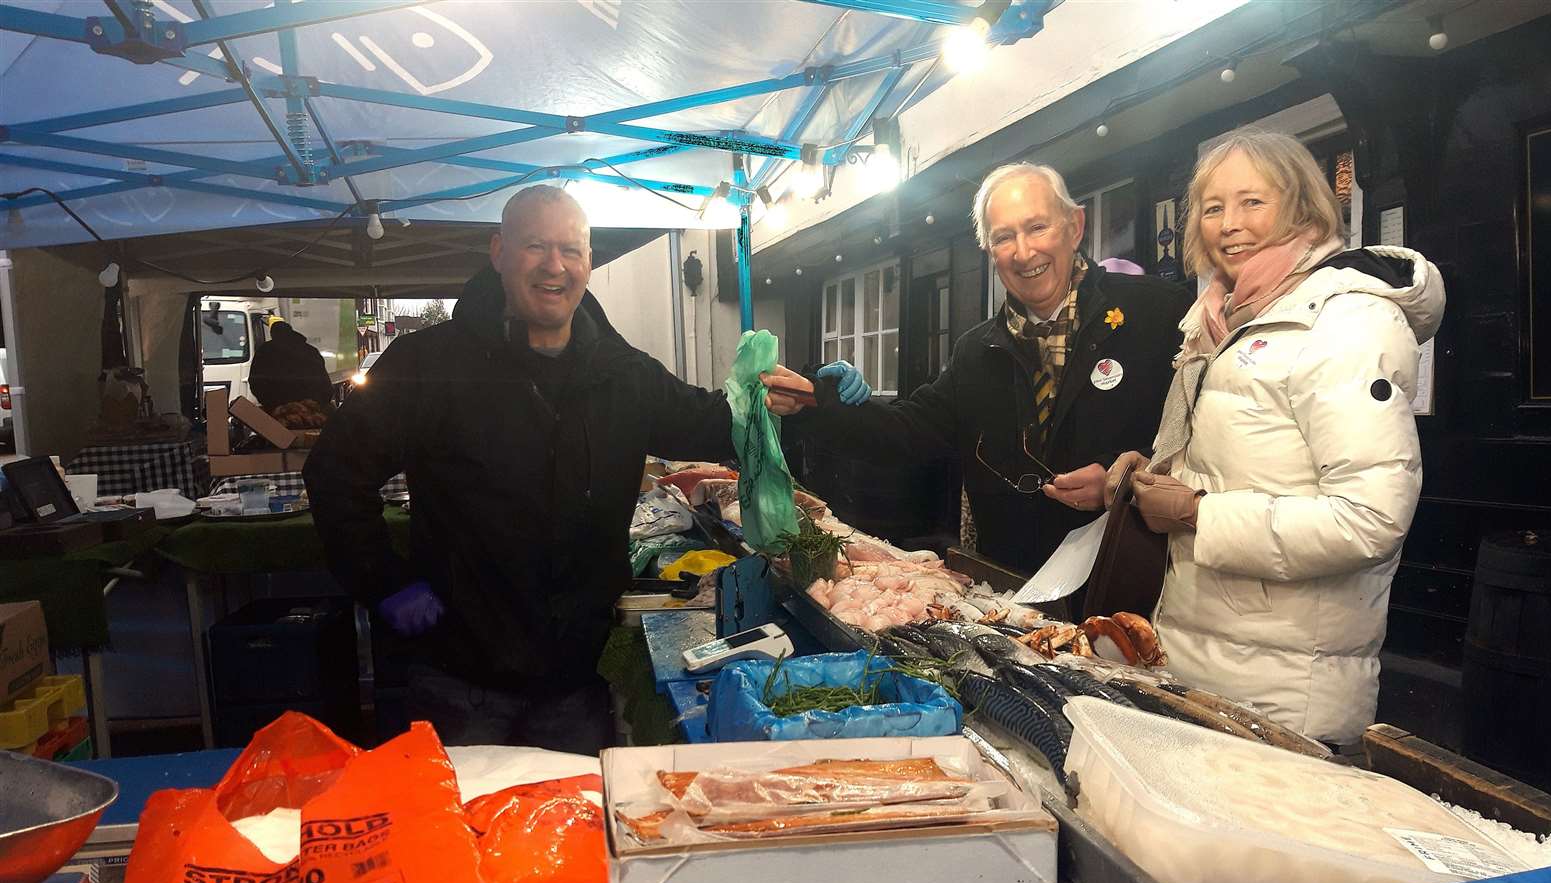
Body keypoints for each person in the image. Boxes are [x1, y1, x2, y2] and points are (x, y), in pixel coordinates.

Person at [304, 185, 735, 753]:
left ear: (588, 262)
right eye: (536, 246)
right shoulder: (426, 365)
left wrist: (808, 394)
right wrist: (385, 581)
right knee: (462, 834)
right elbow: (336, 473)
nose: (555, 266)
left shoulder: (623, 374)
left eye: (571, 250)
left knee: (568, 832)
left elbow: (717, 423)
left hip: (575, 682)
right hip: (460, 679)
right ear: (499, 252)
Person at [1103, 128, 1445, 746]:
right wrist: (1152, 473)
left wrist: (1196, 512)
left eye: (1252, 202)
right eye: (1212, 208)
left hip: (1289, 691)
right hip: (1196, 656)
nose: (1229, 225)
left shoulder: (1347, 320)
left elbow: (1369, 519)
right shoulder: (1219, 317)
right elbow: (1237, 463)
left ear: (1301, 207)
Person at [762, 162, 1191, 575]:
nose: (1025, 252)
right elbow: (905, 434)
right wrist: (817, 401)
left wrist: (1124, 481)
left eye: (1037, 227)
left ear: (1074, 226)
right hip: (1014, 588)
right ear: (989, 251)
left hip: (1127, 582)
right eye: (1004, 237)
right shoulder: (977, 351)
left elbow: (1203, 437)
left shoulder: (1156, 312)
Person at [250, 316, 333, 411]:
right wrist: (318, 403)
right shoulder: (310, 351)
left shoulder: (265, 351)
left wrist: (268, 402)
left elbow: (255, 381)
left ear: (273, 334)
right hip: (311, 409)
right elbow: (324, 382)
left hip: (276, 409)